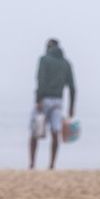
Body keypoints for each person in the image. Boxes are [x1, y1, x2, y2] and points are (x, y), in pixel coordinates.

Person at [29, 39, 75, 170]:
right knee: (55, 132)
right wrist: (71, 108)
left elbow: (40, 80)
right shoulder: (66, 63)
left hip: (44, 100)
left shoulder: (44, 60)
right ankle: (52, 164)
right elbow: (72, 87)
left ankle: (32, 164)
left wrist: (38, 99)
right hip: (58, 102)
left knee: (35, 132)